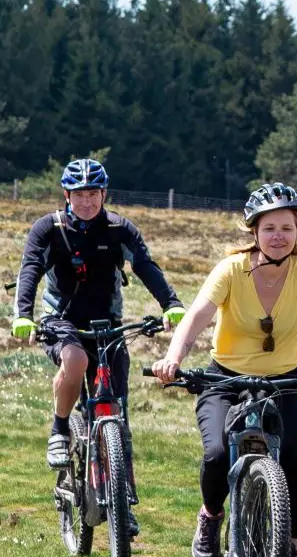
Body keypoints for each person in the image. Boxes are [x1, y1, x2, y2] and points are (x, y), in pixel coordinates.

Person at [151, 182, 297, 557]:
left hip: (285, 380)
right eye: (269, 229)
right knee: (214, 454)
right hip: (223, 377)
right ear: (254, 232)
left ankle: (295, 551)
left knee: (295, 460)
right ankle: (211, 517)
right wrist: (174, 358)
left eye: (286, 227)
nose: (278, 236)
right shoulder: (231, 269)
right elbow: (196, 317)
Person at [10, 158, 186, 481]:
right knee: (75, 360)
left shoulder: (120, 230)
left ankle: (123, 498)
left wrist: (171, 303)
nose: (87, 201)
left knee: (117, 412)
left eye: (93, 193)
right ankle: (60, 430)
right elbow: (30, 269)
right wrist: (24, 315)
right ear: (67, 195)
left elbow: (145, 266)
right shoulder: (48, 229)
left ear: (104, 194)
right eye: (79, 194)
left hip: (108, 324)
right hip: (60, 321)